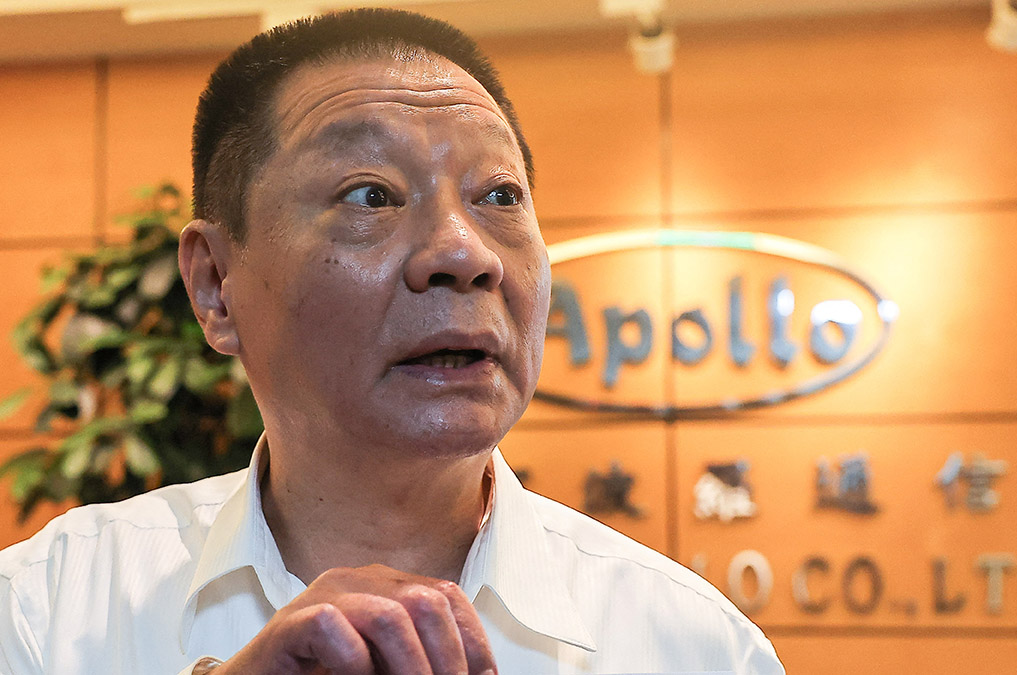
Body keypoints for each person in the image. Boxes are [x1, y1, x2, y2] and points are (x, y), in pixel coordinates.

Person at [0, 9, 785, 674]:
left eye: (499, 196)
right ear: (214, 284)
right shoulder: (48, 610)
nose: (464, 252)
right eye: (370, 194)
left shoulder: (696, 646)